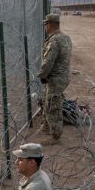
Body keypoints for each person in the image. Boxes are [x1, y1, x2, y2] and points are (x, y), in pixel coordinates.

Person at [38, 13, 72, 141]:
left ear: (50, 24)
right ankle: (46, 127)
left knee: (53, 106)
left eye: (46, 24)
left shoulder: (54, 40)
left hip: (55, 78)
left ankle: (55, 137)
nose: (45, 27)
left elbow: (48, 61)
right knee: (49, 103)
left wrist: (42, 75)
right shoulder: (66, 37)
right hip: (62, 77)